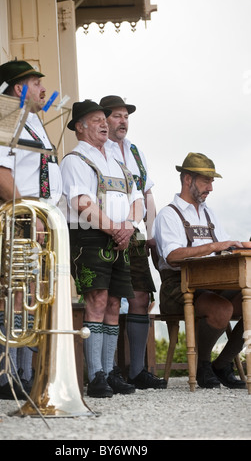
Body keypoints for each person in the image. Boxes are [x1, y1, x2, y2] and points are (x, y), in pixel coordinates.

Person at [0, 60, 62, 399]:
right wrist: (30, 214)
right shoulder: (4, 117)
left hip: (39, 217)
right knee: (14, 293)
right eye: (36, 83)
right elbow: (0, 174)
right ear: (19, 88)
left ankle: (27, 375)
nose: (44, 90)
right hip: (19, 215)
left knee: (31, 293)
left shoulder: (34, 122)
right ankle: (8, 378)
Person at [60, 100, 145, 397]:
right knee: (96, 301)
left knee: (113, 304)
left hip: (120, 236)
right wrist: (116, 229)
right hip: (89, 238)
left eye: (103, 119)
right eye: (96, 120)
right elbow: (81, 203)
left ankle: (109, 371)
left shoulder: (118, 161)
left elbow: (138, 199)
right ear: (80, 128)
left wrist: (130, 227)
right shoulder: (74, 160)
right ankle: (95, 375)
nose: (104, 124)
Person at [153, 152, 250, 389]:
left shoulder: (209, 212)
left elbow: (225, 245)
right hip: (177, 287)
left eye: (212, 181)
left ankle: (222, 364)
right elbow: (172, 256)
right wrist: (214, 246)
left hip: (213, 285)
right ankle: (203, 365)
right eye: (206, 181)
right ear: (188, 180)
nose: (211, 188)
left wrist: (240, 245)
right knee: (221, 307)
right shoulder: (168, 214)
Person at [99, 95, 166, 389]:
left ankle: (138, 371)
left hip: (135, 233)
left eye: (126, 116)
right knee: (106, 298)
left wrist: (151, 233)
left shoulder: (135, 151)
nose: (123, 121)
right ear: (104, 120)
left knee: (141, 297)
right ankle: (109, 369)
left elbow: (146, 193)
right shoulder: (99, 148)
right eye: (116, 115)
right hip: (107, 230)